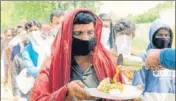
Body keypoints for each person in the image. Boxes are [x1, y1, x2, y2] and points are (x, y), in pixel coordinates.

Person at [29, 8, 122, 101]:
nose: (85, 38)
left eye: (90, 32)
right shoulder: (52, 66)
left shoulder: (108, 61)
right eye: (78, 33)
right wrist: (66, 93)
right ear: (67, 35)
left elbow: (121, 92)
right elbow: (38, 98)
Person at [133, 19, 175, 101]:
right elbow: (138, 85)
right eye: (160, 35)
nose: (163, 38)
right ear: (152, 36)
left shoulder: (171, 59)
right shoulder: (144, 56)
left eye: (166, 35)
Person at [113, 19, 136, 84]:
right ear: (115, 36)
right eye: (121, 34)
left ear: (133, 36)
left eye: (127, 34)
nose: (124, 37)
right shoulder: (108, 56)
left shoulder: (137, 57)